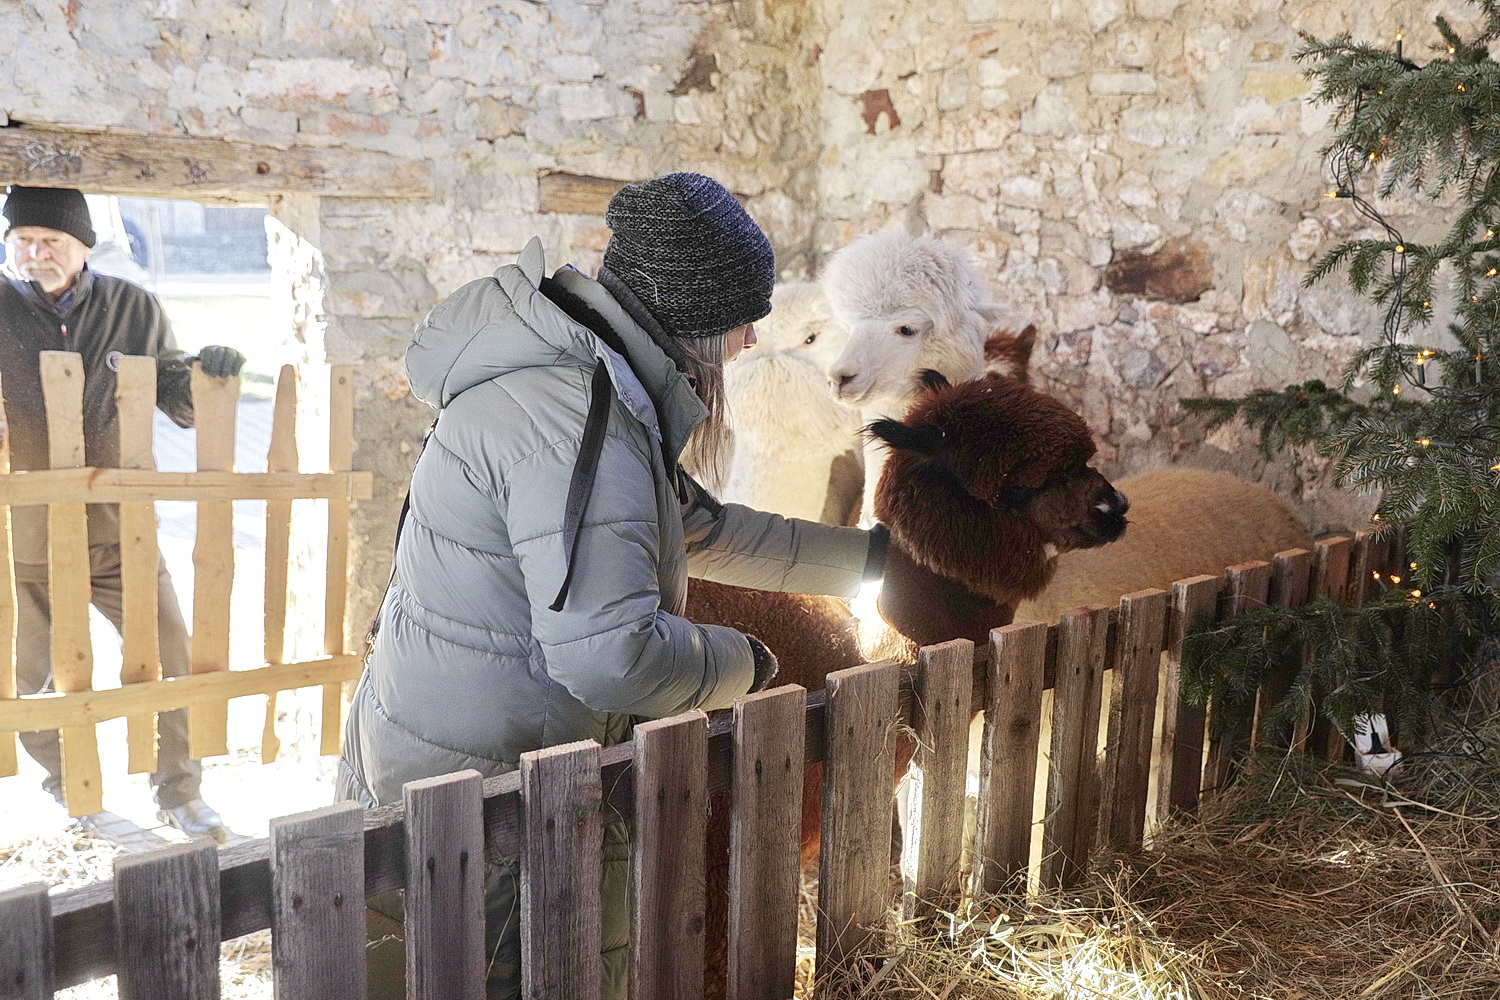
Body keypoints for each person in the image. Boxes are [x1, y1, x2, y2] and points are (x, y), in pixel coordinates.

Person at [337, 172, 888, 998]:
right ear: (692, 317)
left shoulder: (592, 386)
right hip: (482, 797)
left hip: (462, 757)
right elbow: (610, 657)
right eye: (741, 322)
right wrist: (751, 664)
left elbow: (700, 526)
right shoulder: (578, 419)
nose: (747, 344)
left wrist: (873, 559)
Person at [0, 185, 247, 843]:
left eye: (50, 239)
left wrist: (207, 374)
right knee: (26, 682)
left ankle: (181, 793)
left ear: (83, 244)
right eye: (21, 238)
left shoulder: (133, 308)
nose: (35, 251)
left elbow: (176, 397)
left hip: (119, 530)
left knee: (171, 655)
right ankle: (72, 790)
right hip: (26, 539)